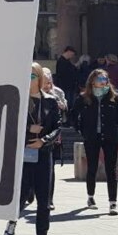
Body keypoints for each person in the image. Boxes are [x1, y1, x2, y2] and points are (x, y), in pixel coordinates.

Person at [4, 63, 60, 235]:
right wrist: (29, 130)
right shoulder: (18, 100)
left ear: (39, 78)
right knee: (21, 195)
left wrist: (43, 140)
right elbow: (9, 124)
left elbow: (57, 127)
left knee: (44, 199)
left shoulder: (51, 101)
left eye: (32, 76)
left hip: (43, 154)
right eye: (26, 76)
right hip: (24, 154)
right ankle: (12, 221)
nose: (29, 80)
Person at [71, 69, 118, 215]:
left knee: (111, 170)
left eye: (104, 79)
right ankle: (90, 197)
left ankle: (113, 202)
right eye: (99, 79)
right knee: (92, 167)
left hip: (109, 137)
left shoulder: (114, 97)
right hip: (91, 137)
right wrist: (80, 130)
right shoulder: (84, 97)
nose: (102, 81)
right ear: (92, 81)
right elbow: (73, 115)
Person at [42, 67, 68, 211]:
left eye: (49, 80)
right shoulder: (32, 92)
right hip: (34, 136)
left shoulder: (57, 92)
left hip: (52, 136)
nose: (47, 84)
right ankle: (30, 191)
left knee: (50, 168)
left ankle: (49, 199)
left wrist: (60, 105)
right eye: (44, 80)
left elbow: (65, 111)